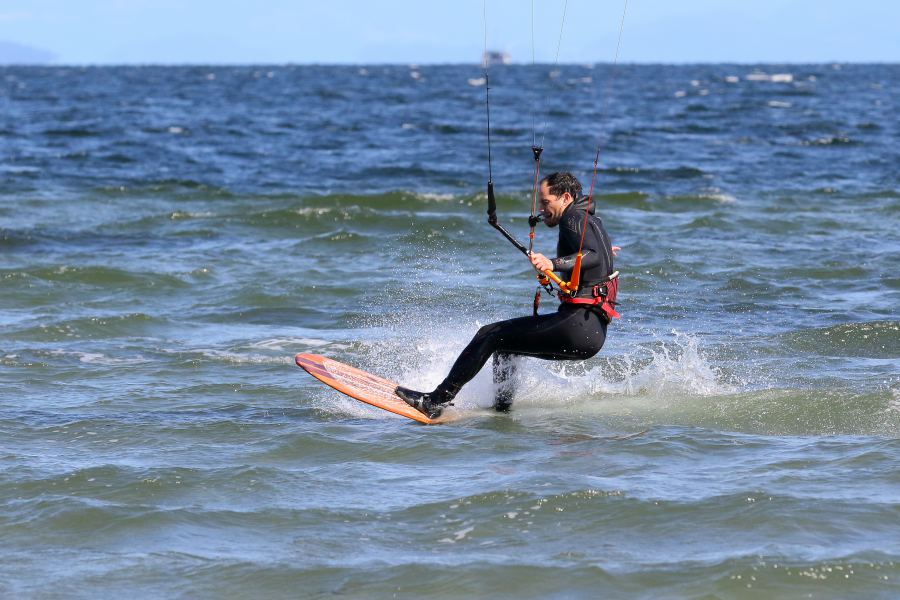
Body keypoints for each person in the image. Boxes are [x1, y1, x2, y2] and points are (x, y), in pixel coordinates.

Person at [395, 171, 619, 418]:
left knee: (490, 334)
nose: (541, 210)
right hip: (591, 332)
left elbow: (593, 255)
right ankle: (502, 412)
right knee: (506, 348)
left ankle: (435, 401)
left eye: (546, 202)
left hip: (578, 324)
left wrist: (552, 263)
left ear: (565, 197)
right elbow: (596, 252)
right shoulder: (590, 220)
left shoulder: (572, 218)